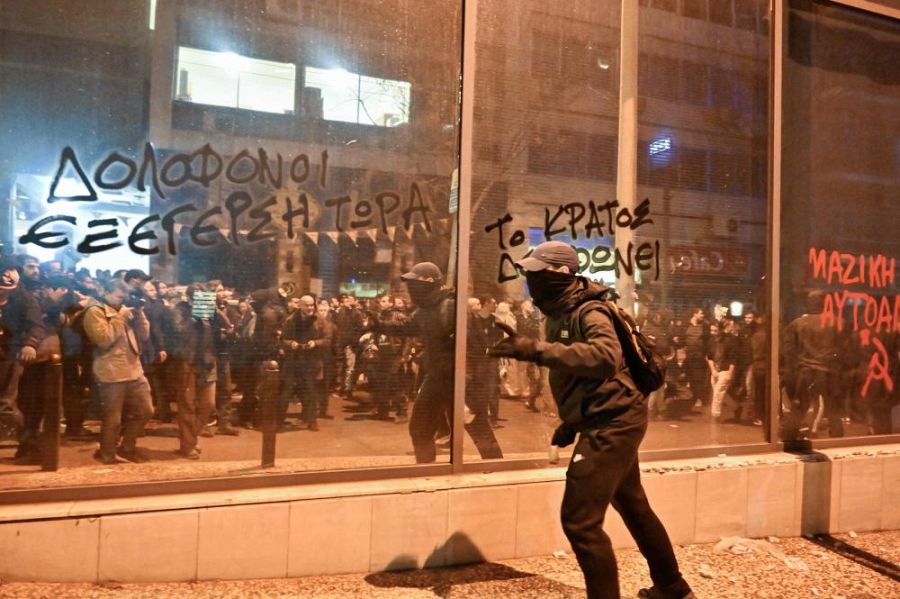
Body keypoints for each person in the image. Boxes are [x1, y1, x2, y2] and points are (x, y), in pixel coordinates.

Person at [489, 241, 693, 599]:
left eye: (538, 272)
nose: (531, 279)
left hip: (614, 422)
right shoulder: (560, 313)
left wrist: (533, 350)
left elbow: (604, 358)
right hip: (610, 416)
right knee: (633, 504)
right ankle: (672, 588)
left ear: (563, 273)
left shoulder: (589, 311)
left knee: (580, 523)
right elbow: (583, 377)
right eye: (529, 273)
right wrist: (572, 421)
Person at [379, 262, 502, 463]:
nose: (410, 288)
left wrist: (466, 382)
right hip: (437, 379)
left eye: (413, 282)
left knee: (478, 429)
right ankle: (427, 471)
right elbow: (407, 327)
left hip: (460, 381)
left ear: (429, 281)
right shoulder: (427, 309)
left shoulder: (450, 307)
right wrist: (378, 326)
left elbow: (474, 348)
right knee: (420, 427)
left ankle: (498, 474)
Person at [82, 278, 153, 464]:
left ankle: (127, 447)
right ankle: (108, 454)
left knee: (146, 410)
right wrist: (119, 318)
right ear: (105, 293)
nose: (122, 300)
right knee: (112, 419)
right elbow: (103, 340)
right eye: (119, 296)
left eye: (124, 297)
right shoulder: (94, 311)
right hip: (111, 372)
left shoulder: (124, 310)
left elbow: (144, 336)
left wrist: (140, 314)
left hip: (134, 369)